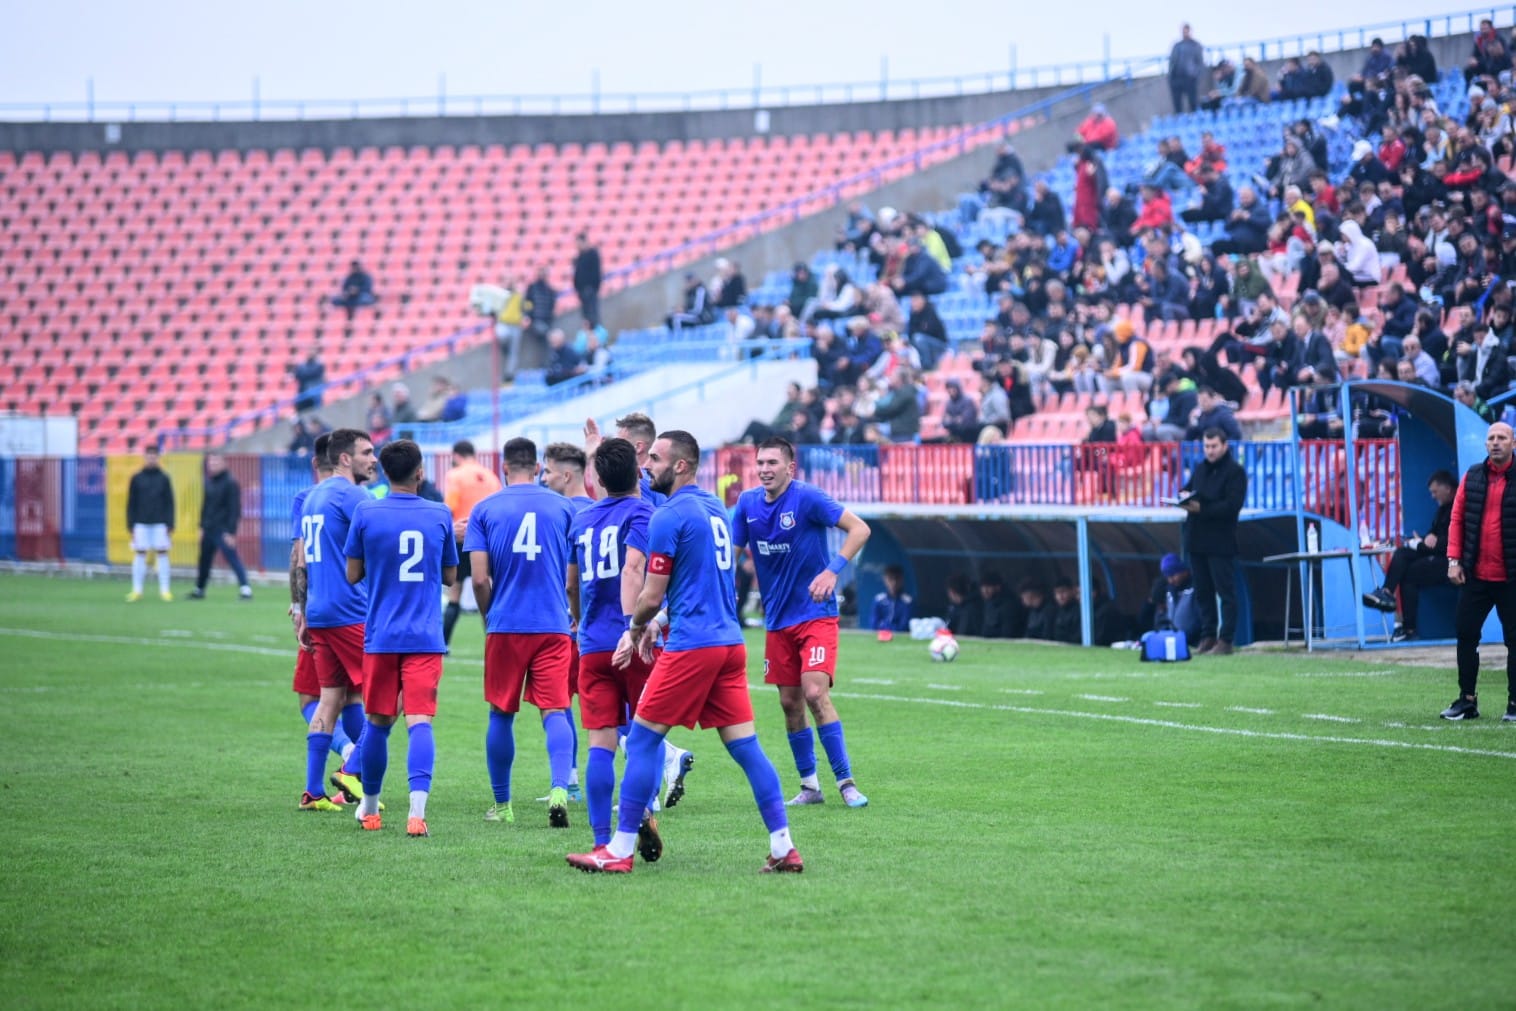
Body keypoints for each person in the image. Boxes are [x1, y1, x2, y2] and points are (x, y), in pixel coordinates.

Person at [566, 431, 802, 873]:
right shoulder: (714, 508)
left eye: (655, 458)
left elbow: (651, 593)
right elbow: (700, 584)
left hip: (693, 646)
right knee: (747, 747)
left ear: (680, 465)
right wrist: (656, 623)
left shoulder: (667, 515)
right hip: (729, 643)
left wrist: (635, 627)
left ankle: (618, 850)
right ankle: (783, 846)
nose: (646, 466)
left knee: (641, 740)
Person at [732, 437, 872, 808]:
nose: (765, 469)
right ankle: (810, 787)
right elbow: (729, 557)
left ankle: (846, 782)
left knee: (814, 693)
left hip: (815, 615)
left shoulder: (807, 497)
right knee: (789, 702)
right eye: (760, 463)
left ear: (790, 468)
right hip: (777, 621)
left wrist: (832, 571)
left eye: (772, 463)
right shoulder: (746, 504)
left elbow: (860, 529)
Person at [343, 439, 457, 837]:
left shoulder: (366, 511)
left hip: (382, 636)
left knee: (377, 722)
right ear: (420, 472)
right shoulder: (439, 513)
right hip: (424, 636)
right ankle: (416, 814)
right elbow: (449, 576)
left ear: (384, 472)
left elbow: (352, 574)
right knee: (420, 720)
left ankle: (370, 810)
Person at [464, 438, 579, 828]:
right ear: (537, 467)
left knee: (501, 713)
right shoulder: (563, 507)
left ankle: (503, 806)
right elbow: (573, 573)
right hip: (553, 623)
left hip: (506, 624)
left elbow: (479, 579)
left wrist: (489, 617)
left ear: (503, 467)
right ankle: (560, 789)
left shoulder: (485, 509)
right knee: (555, 709)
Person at [566, 437, 664, 858]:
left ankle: (600, 840)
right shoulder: (644, 512)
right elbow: (634, 568)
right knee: (646, 738)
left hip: (592, 644)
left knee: (600, 745)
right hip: (635, 641)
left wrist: (579, 620)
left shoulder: (582, 519)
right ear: (638, 472)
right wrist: (632, 627)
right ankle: (644, 811)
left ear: (599, 479)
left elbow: (572, 585)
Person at [297, 428, 377, 813]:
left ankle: (313, 792)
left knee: (330, 698)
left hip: (319, 612)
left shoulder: (313, 497)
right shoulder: (352, 495)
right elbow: (381, 545)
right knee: (390, 695)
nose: (373, 459)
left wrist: (302, 609)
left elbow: (301, 561)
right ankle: (351, 770)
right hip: (350, 611)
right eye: (367, 452)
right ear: (345, 458)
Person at [1440, 423, 1516, 722]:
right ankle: (1467, 700)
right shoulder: (1472, 476)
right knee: (1466, 633)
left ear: (1513, 443)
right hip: (1475, 575)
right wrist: (1453, 560)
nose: (1495, 442)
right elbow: (1457, 519)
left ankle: (1514, 704)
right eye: (1491, 438)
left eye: (1502, 438)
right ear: (1485, 444)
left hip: (1511, 577)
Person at [1363, 470, 1456, 641]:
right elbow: (1433, 536)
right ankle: (1387, 592)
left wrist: (1420, 544)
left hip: (1452, 561)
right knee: (1402, 553)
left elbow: (1446, 544)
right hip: (1436, 553)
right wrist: (1424, 540)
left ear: (1447, 489)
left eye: (1435, 492)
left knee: (1410, 573)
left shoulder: (1458, 509)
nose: (1433, 496)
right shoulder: (1442, 510)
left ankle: (1409, 628)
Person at [1179, 428, 1248, 655]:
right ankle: (1207, 636)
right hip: (1196, 539)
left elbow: (1232, 506)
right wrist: (1182, 496)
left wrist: (1201, 508)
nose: (1210, 451)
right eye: (1206, 446)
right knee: (1203, 592)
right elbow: (1188, 489)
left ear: (1224, 446)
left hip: (1220, 541)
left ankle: (1226, 640)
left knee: (1225, 592)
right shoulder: (1200, 468)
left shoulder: (1235, 472)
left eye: (1214, 446)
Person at [442, 440, 502, 646]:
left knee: (455, 592)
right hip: (488, 540)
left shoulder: (455, 475)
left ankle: (444, 643)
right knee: (490, 589)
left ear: (456, 455)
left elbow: (450, 506)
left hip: (463, 537)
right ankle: (493, 639)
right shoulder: (490, 476)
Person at [190, 452, 251, 601]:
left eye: (216, 462)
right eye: (211, 462)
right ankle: (199, 589)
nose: (213, 465)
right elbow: (206, 506)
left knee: (232, 558)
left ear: (224, 463)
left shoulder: (230, 482)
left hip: (222, 529)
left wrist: (231, 532)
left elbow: (234, 509)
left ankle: (245, 589)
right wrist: (201, 526)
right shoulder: (209, 481)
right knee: (204, 560)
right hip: (208, 528)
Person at [125, 444, 175, 603]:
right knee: (140, 553)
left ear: (158, 458)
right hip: (141, 522)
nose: (151, 459)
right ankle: (137, 590)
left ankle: (165, 590)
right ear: (145, 457)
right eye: (149, 456)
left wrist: (170, 523)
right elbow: (131, 503)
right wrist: (131, 524)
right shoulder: (137, 478)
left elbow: (170, 502)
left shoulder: (164, 478)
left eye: (154, 456)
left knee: (162, 553)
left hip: (160, 522)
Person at [1168, 24, 1206, 114]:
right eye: (1183, 31)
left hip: (1190, 78)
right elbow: (1172, 61)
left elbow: (1200, 63)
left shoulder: (1195, 45)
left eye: (1186, 31)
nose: (1185, 33)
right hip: (1177, 78)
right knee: (1177, 104)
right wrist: (1171, 77)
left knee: (1193, 102)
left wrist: (1196, 76)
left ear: (1190, 31)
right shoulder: (1177, 45)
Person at [572, 233, 603, 327]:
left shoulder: (592, 255)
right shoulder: (579, 257)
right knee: (586, 316)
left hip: (590, 289)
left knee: (592, 315)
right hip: (582, 291)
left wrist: (593, 287)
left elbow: (596, 273)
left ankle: (595, 331)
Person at [290, 348, 325, 413]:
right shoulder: (301, 366)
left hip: (314, 393)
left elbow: (306, 374)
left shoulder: (318, 365)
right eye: (309, 353)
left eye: (312, 354)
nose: (310, 355)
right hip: (303, 392)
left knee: (315, 412)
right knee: (301, 412)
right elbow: (297, 375)